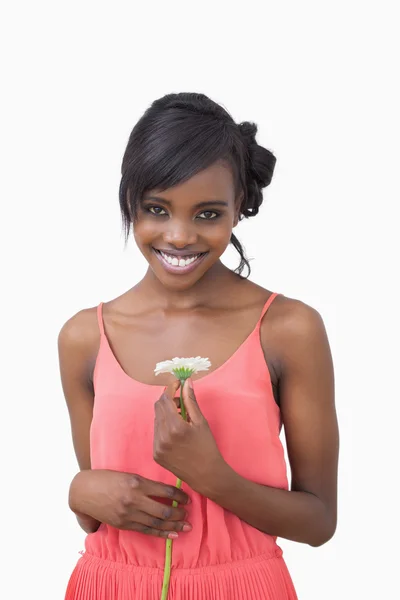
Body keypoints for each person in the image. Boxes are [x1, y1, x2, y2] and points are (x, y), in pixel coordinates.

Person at [58, 92, 339, 600]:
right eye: (156, 209)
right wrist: (80, 494)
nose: (179, 235)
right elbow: (101, 506)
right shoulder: (83, 337)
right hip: (108, 586)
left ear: (240, 209)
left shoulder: (289, 328)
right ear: (130, 202)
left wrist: (213, 477)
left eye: (208, 214)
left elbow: (319, 521)